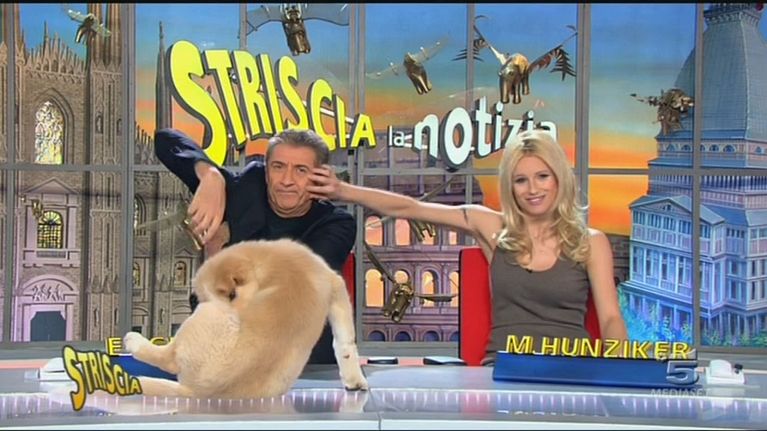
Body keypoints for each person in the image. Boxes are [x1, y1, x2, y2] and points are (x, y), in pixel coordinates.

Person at [307, 129, 628, 363]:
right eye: (521, 180)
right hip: (503, 370)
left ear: (559, 178)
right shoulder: (492, 228)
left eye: (542, 176)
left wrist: (621, 374)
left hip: (571, 371)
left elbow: (611, 319)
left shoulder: (590, 242)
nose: (533, 189)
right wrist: (342, 190)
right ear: (510, 186)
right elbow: (410, 208)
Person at [154, 128, 356, 365]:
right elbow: (165, 139)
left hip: (303, 363)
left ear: (320, 177)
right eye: (278, 167)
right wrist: (210, 175)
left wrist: (222, 252)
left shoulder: (336, 224)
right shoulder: (241, 192)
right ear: (266, 170)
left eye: (301, 170)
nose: (287, 180)